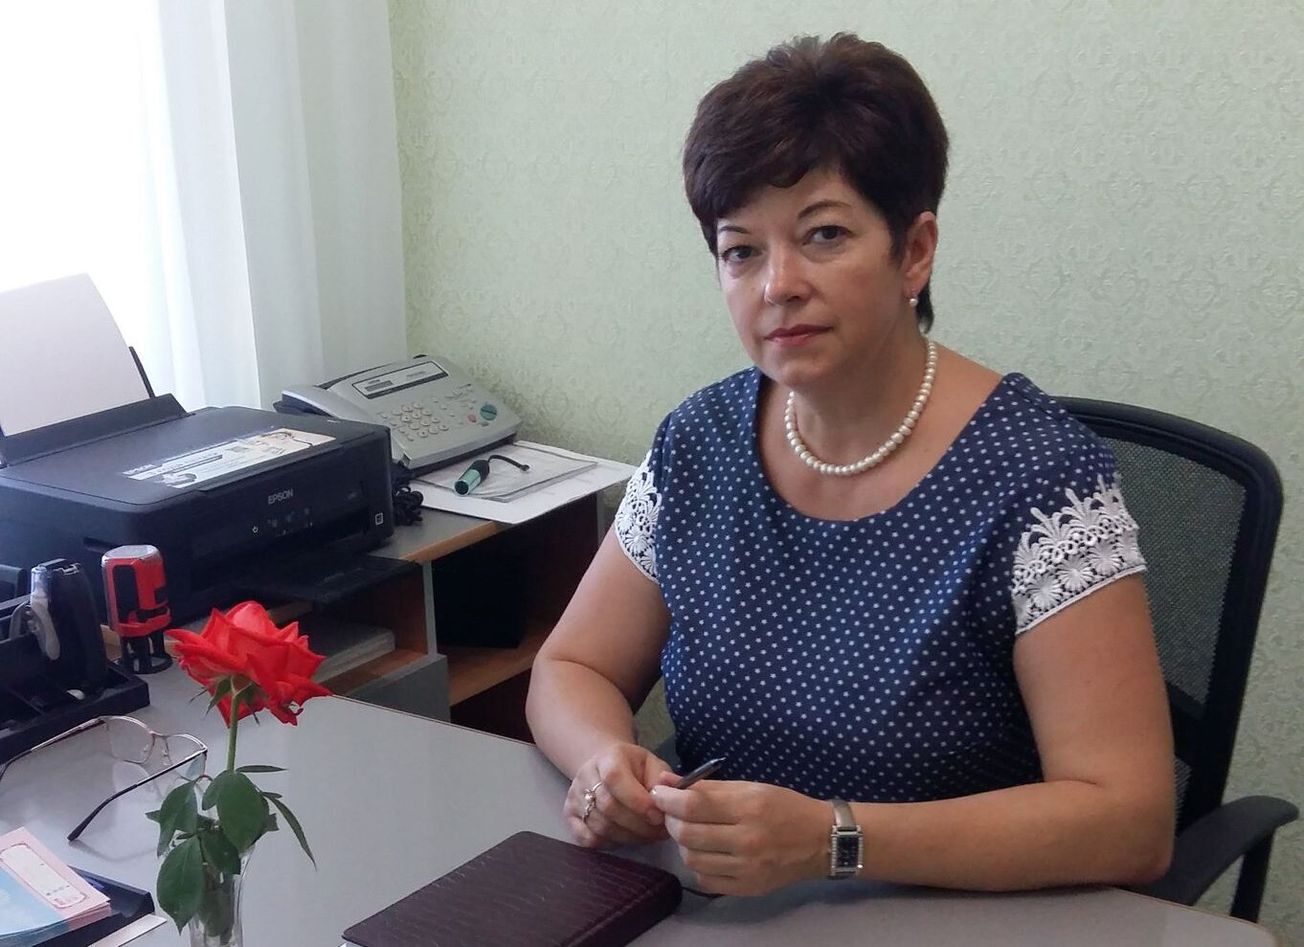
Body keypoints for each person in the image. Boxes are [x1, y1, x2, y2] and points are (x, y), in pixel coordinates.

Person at [525, 33, 1174, 897]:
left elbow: (1130, 818)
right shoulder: (700, 442)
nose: (777, 285)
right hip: (723, 910)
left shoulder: (1038, 479)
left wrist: (834, 839)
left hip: (955, 916)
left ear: (914, 250)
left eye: (823, 234)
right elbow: (571, 668)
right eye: (741, 250)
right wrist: (604, 761)